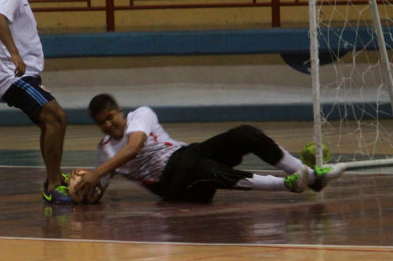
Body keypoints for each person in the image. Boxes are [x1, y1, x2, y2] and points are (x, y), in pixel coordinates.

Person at [75, 93, 346, 203]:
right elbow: (98, 190)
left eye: (111, 118)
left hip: (185, 154)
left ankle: (309, 177)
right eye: (102, 124)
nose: (109, 125)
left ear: (120, 111)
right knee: (206, 169)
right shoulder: (105, 151)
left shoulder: (140, 116)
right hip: (171, 185)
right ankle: (288, 184)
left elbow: (133, 149)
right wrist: (77, 189)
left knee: (244, 134)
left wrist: (97, 172)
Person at [0, 0, 71, 204]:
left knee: (50, 123)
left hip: (26, 78)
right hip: (14, 77)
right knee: (57, 117)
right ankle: (54, 185)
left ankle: (53, 178)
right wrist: (14, 54)